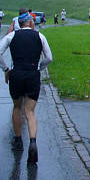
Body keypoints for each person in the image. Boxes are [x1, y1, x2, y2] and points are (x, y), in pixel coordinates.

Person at [0, 12, 53, 163]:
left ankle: (18, 141)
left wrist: (6, 70)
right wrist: (39, 68)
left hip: (16, 74)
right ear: (30, 23)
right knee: (29, 112)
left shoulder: (11, 36)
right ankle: (33, 142)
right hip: (32, 75)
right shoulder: (40, 37)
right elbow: (49, 58)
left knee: (17, 107)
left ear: (20, 24)